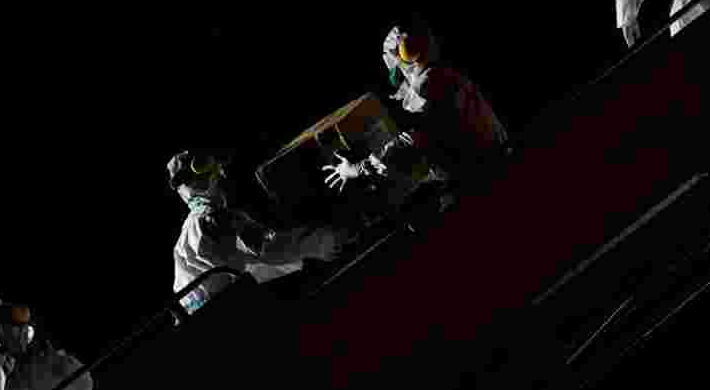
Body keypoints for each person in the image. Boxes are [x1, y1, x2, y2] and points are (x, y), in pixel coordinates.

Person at [324, 19, 509, 213]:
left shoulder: (426, 88)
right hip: (493, 158)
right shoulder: (446, 75)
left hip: (481, 175)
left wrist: (358, 168)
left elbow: (410, 143)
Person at [168, 149, 344, 313]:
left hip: (193, 317)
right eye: (206, 168)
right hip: (215, 315)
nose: (220, 173)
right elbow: (270, 250)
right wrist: (322, 242)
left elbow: (255, 260)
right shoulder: (216, 218)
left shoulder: (191, 226)